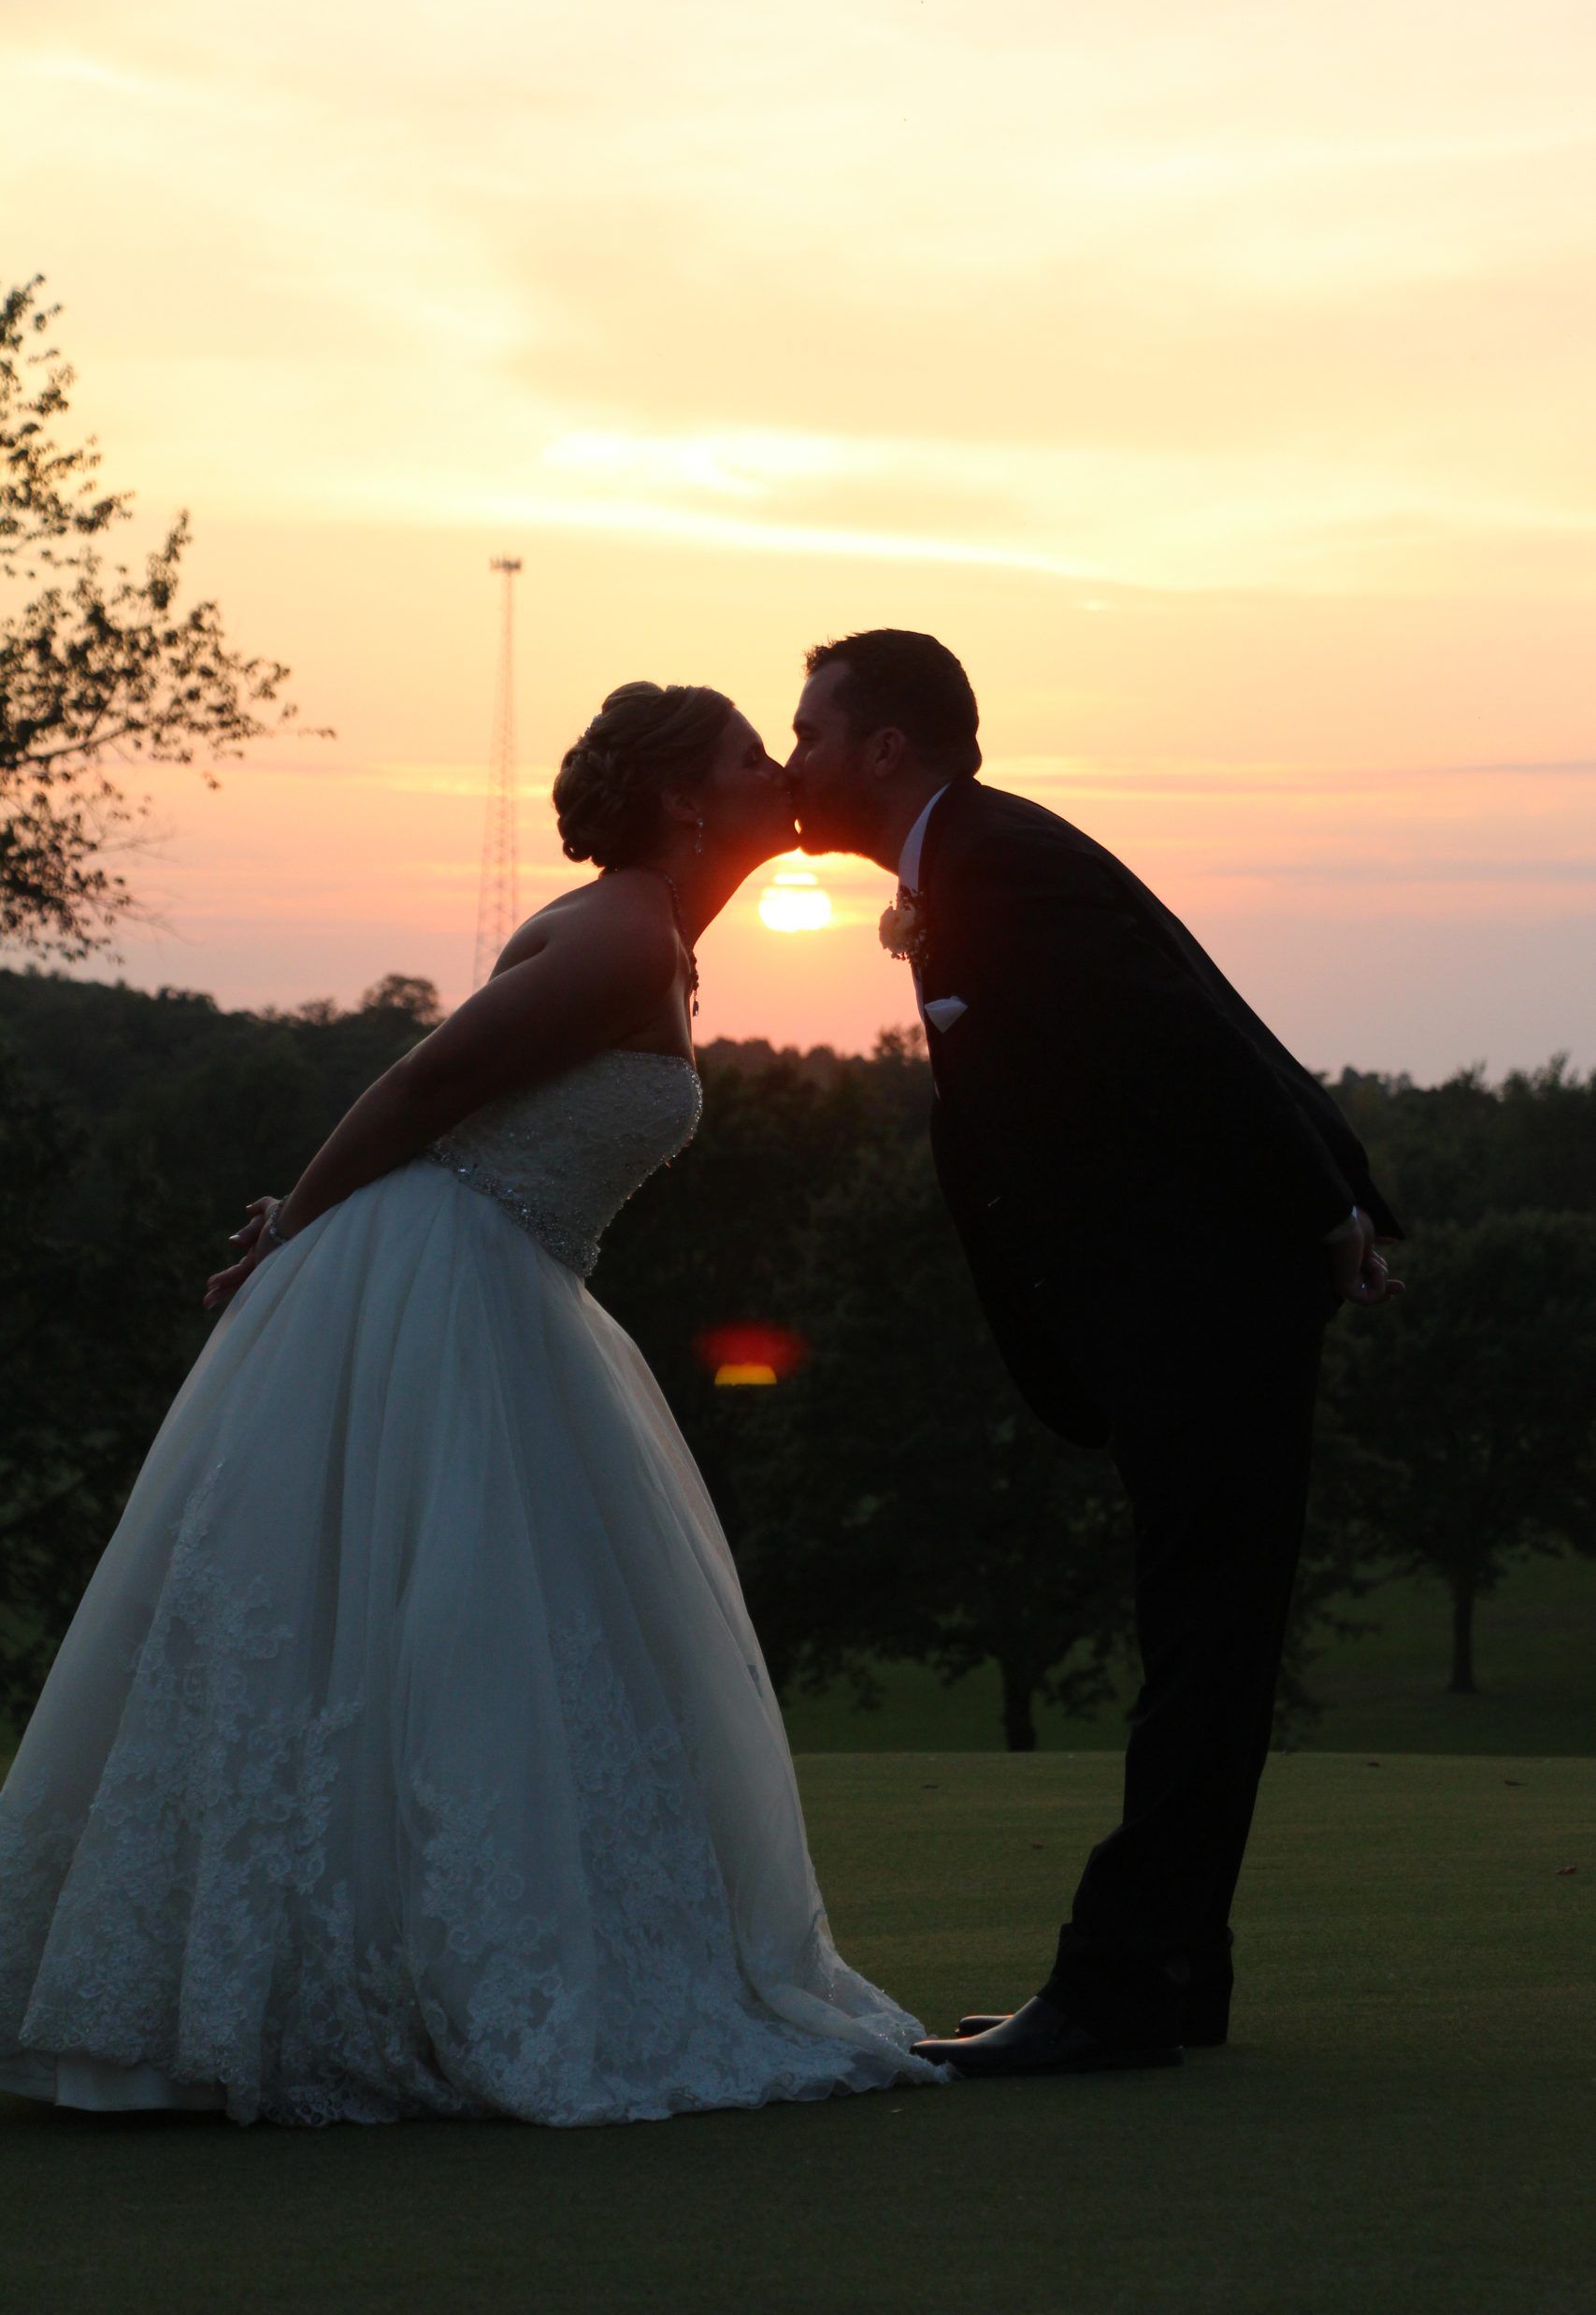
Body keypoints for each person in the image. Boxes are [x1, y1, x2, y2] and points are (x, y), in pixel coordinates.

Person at [0, 681, 942, 2127]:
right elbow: (426, 1081)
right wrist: (290, 1233)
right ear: (690, 798)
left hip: (514, 1287)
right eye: (755, 756)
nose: (779, 775)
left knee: (485, 1642)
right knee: (419, 1625)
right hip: (441, 1286)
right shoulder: (628, 932)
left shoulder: (654, 938)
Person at [786, 628, 1403, 2077]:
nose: (795, 756)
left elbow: (1185, 1034)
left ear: (888, 748)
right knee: (1206, 1638)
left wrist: (1325, 1207)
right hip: (1191, 1314)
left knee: (1204, 1643)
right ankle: (1176, 1975)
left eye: (810, 732)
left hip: (1216, 1312)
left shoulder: (996, 864)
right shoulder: (972, 861)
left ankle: (1125, 1983)